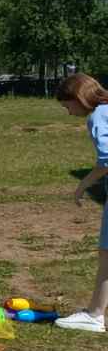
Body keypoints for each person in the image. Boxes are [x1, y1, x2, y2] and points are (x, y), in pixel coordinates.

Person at [54, 73, 108, 333]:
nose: (68, 112)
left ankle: (95, 315)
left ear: (78, 98)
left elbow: (106, 160)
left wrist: (83, 184)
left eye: (67, 106)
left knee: (107, 254)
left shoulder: (98, 116)